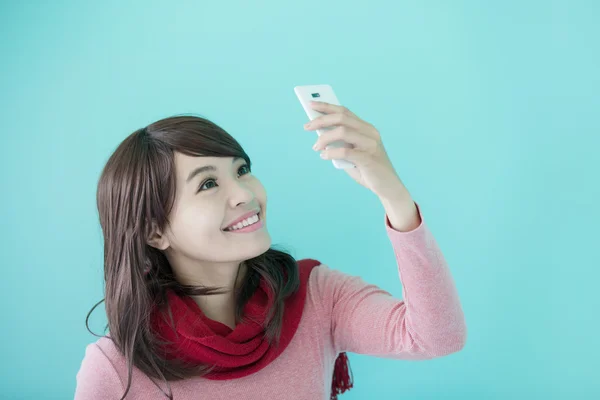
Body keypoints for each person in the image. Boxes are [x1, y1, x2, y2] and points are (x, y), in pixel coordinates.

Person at [74, 101, 467, 400]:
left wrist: (392, 194)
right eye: (208, 184)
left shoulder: (316, 295)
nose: (245, 194)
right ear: (155, 231)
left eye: (242, 170)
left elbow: (436, 337)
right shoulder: (116, 371)